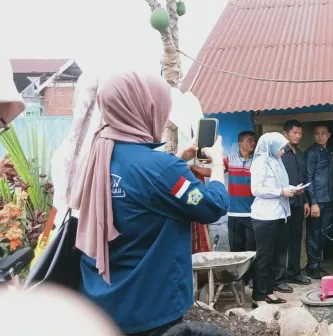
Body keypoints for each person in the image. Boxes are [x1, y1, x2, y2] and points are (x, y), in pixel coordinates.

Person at [70, 72, 230, 336]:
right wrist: (216, 164)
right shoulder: (161, 168)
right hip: (148, 308)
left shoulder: (96, 156)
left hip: (97, 304)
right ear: (144, 109)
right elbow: (212, 206)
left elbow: (144, 187)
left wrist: (178, 159)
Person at [250, 132, 300, 307]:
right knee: (264, 257)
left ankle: (269, 292)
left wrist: (293, 189)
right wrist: (281, 192)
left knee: (275, 256)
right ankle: (258, 297)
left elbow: (280, 185)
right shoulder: (260, 163)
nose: (283, 151)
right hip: (265, 217)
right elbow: (256, 190)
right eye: (281, 148)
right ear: (270, 147)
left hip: (281, 215)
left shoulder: (277, 162)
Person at [279, 120, 312, 288]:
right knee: (282, 241)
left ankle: (294, 273)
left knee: (296, 239)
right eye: (295, 133)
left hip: (298, 203)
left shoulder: (300, 154)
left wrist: (305, 201)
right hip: (283, 203)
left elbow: (304, 179)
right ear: (285, 134)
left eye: (300, 133)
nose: (298, 136)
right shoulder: (279, 155)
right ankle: (280, 278)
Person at [305, 124, 333, 279]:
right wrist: (313, 202)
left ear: (329, 135)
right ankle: (312, 267)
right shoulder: (311, 153)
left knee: (323, 234)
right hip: (317, 201)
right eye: (317, 133)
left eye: (323, 133)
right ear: (314, 135)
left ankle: (316, 264)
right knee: (314, 235)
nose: (320, 136)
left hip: (329, 199)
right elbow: (308, 178)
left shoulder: (330, 151)